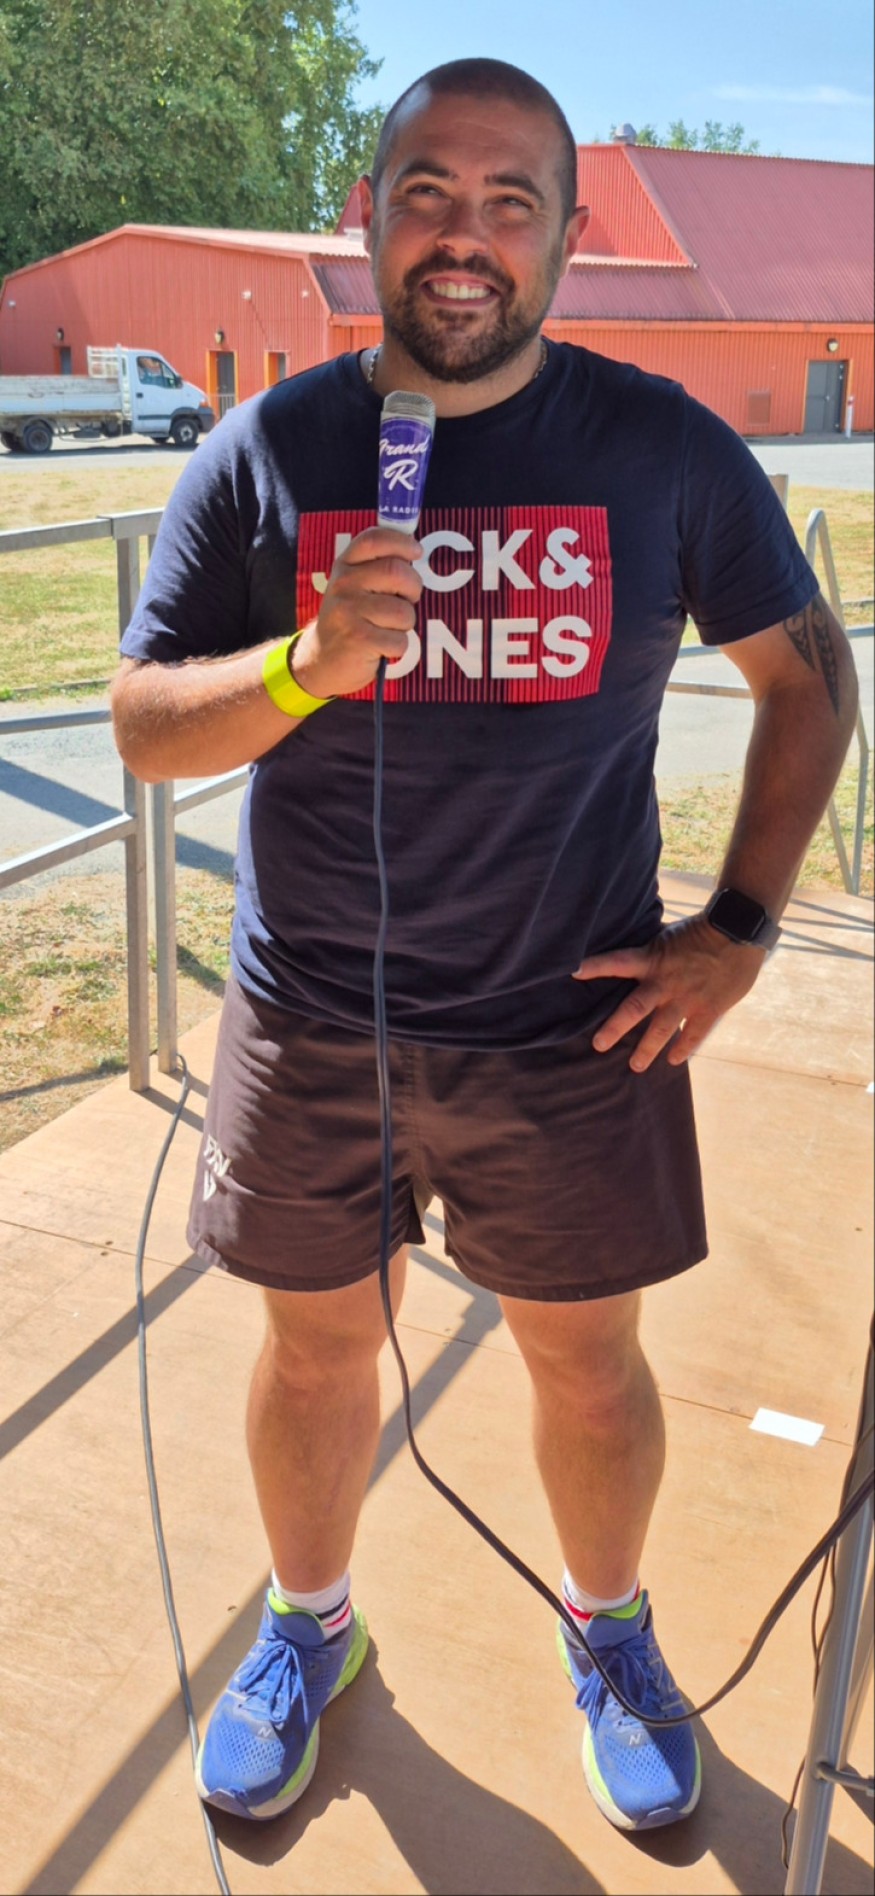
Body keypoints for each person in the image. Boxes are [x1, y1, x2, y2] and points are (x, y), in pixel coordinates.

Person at [111, 58, 858, 1836]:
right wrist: (301, 667)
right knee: (314, 1360)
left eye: (511, 200)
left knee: (586, 1372)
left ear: (568, 239)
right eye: (428, 193)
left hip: (571, 1030)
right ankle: (311, 1626)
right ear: (366, 216)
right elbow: (142, 726)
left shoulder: (661, 449)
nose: (466, 235)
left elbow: (811, 678)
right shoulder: (268, 452)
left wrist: (739, 932)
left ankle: (611, 1632)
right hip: (312, 1020)